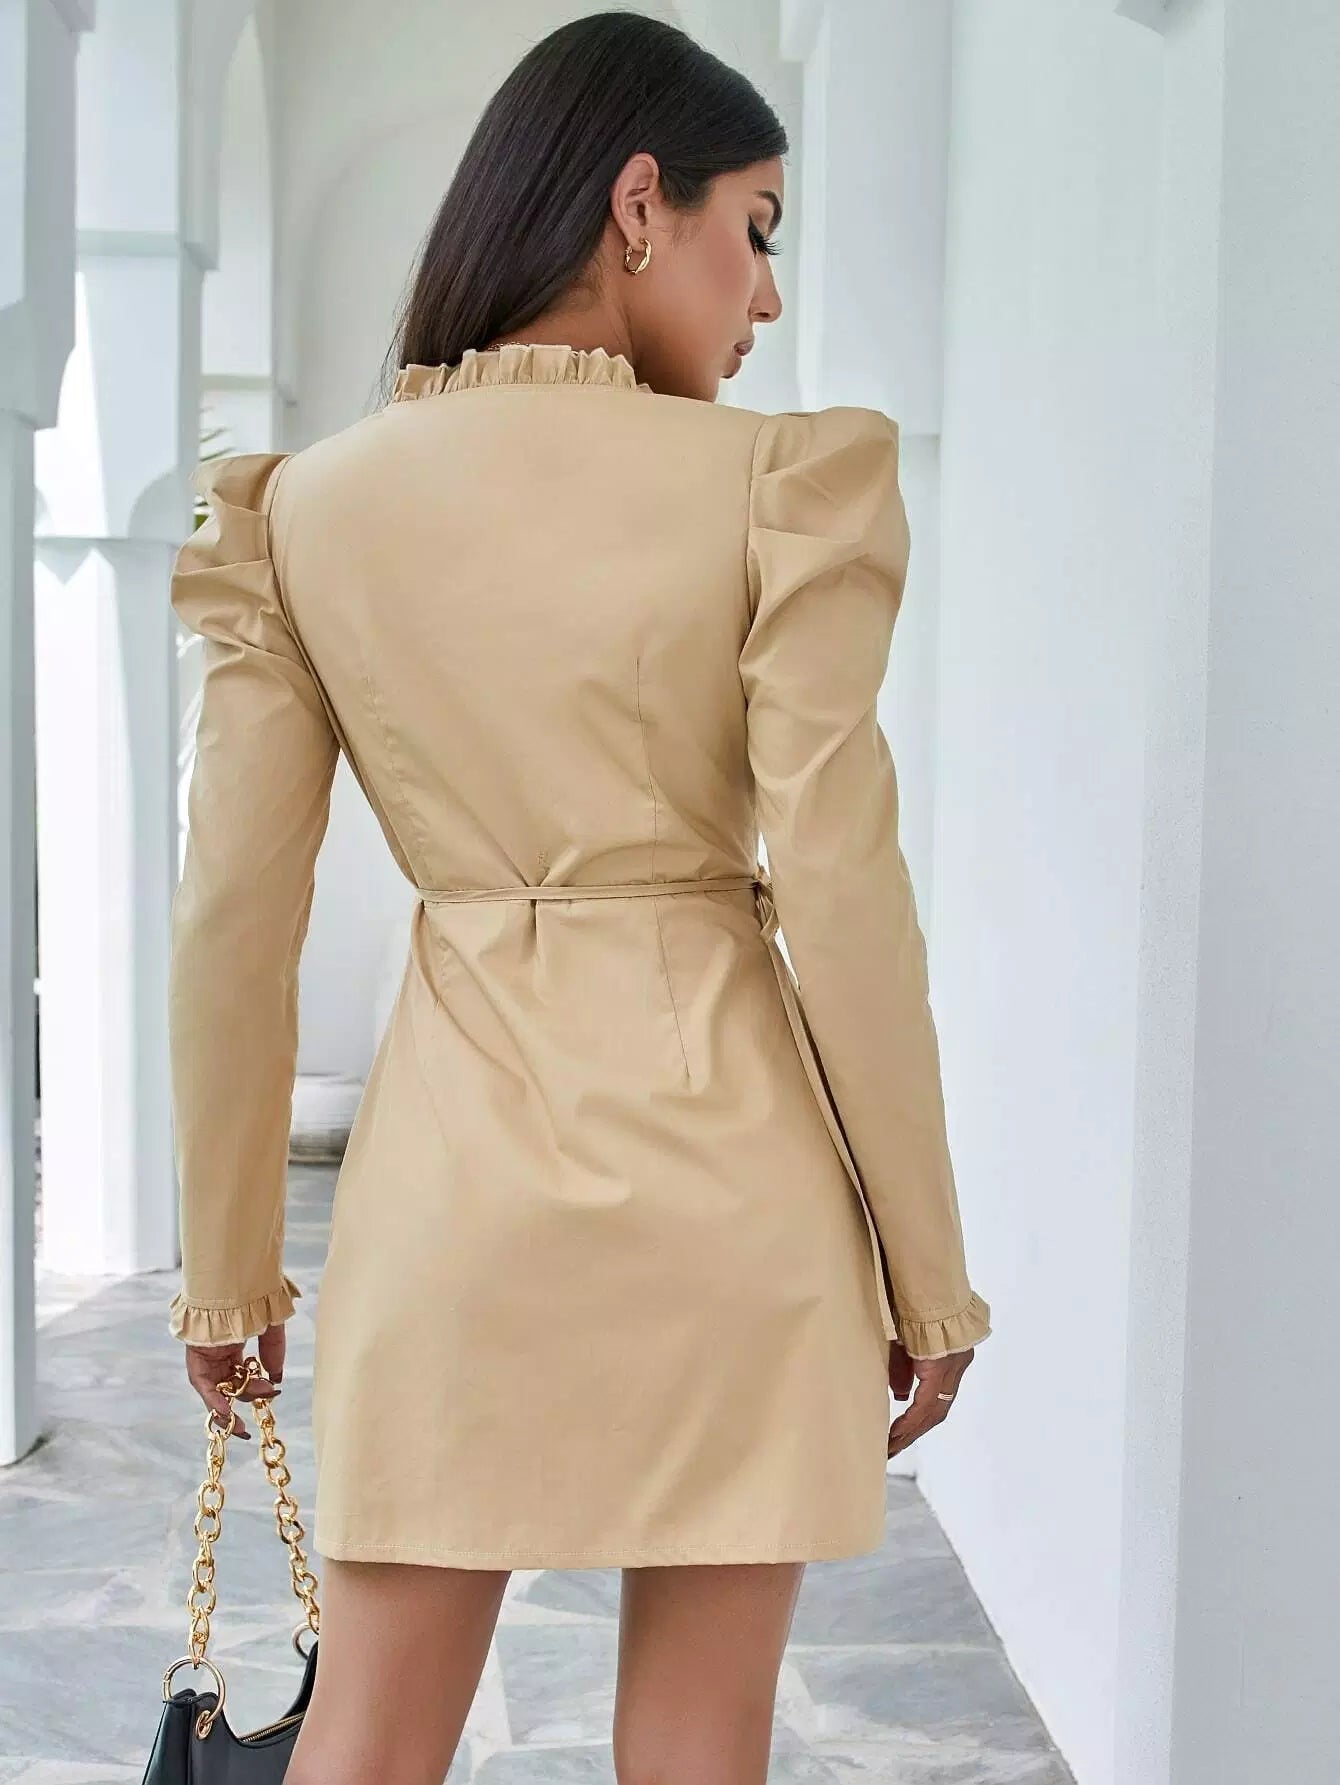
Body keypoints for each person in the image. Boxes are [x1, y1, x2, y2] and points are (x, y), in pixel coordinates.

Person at [167, 12, 992, 1783]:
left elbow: (233, 915)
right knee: (697, 1752)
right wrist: (929, 1275)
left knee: (364, 1747)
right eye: (754, 227)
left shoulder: (301, 514)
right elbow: (845, 890)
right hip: (733, 1199)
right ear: (638, 205)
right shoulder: (779, 487)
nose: (767, 295)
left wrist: (227, 1268)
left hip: (453, 1202)